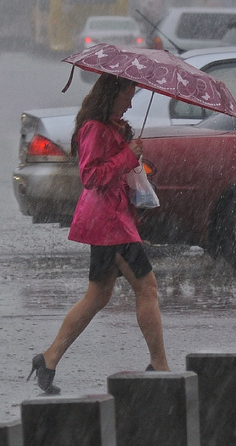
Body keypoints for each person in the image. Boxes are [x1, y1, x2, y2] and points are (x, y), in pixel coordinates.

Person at [27, 73, 169, 395]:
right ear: (112, 93)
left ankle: (48, 359)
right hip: (108, 222)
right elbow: (90, 176)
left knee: (97, 296)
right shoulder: (94, 128)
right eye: (127, 95)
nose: (131, 102)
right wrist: (127, 156)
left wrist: (130, 155)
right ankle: (159, 364)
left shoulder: (111, 127)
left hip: (115, 218)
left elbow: (114, 167)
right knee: (147, 287)